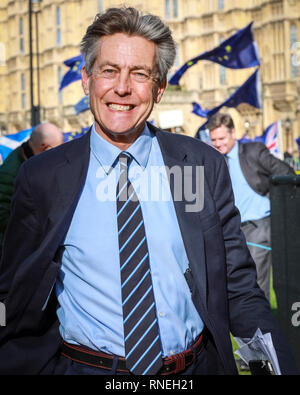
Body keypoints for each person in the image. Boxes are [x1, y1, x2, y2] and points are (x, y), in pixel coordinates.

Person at [0, 7, 298, 376]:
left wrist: (278, 366)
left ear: (159, 89)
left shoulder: (197, 167)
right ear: (86, 79)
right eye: (109, 70)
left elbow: (237, 287)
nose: (121, 88)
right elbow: (15, 292)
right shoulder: (43, 177)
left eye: (139, 74)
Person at [207, 113, 295, 301]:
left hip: (261, 226)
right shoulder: (216, 160)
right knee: (243, 283)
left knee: (256, 283)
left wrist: (277, 201)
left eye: (222, 138)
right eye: (214, 139)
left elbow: (286, 173)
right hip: (236, 230)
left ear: (233, 133)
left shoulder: (253, 151)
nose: (218, 143)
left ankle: (266, 327)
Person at [0, 122, 63, 253]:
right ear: (44, 147)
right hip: (16, 247)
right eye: (56, 150)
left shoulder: (34, 158)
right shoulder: (11, 172)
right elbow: (3, 215)